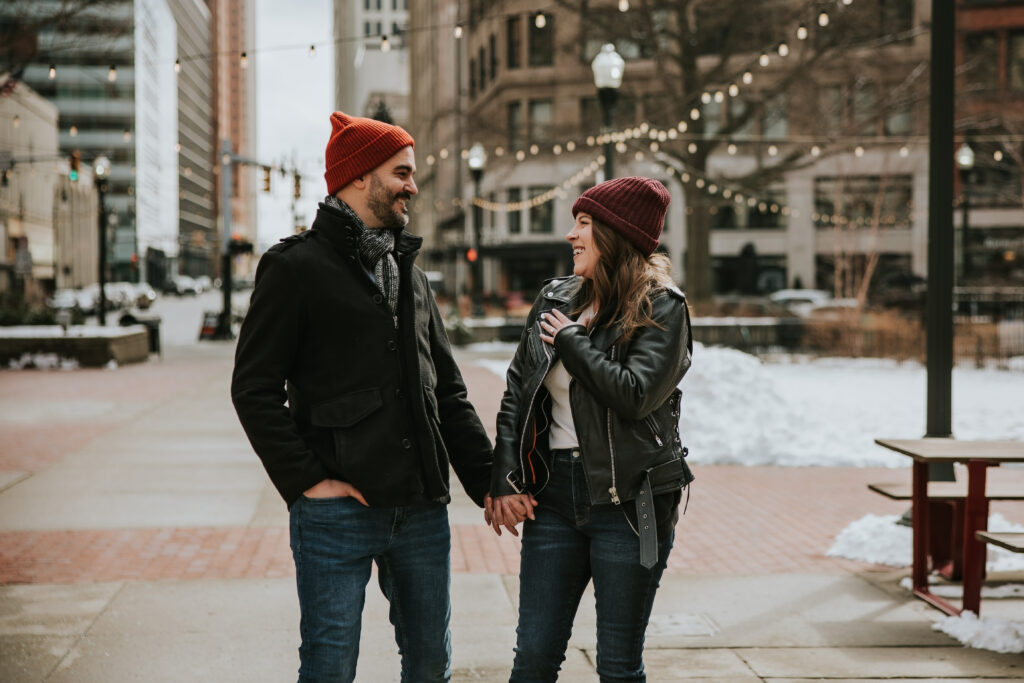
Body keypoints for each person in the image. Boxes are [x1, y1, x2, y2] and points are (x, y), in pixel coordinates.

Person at [231, 111, 494, 683]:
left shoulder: (413, 276)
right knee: (329, 669)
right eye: (401, 172)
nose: (412, 186)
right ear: (357, 177)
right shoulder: (294, 269)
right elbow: (252, 388)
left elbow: (446, 392)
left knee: (430, 666)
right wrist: (306, 481)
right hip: (335, 513)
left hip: (422, 508)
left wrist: (490, 481)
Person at [487, 176, 694, 682]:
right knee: (533, 659)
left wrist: (575, 344)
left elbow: (634, 393)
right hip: (552, 496)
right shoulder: (557, 297)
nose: (571, 236)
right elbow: (519, 389)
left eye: (583, 224)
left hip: (628, 502)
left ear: (617, 234)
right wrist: (504, 476)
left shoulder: (662, 306)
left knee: (618, 666)